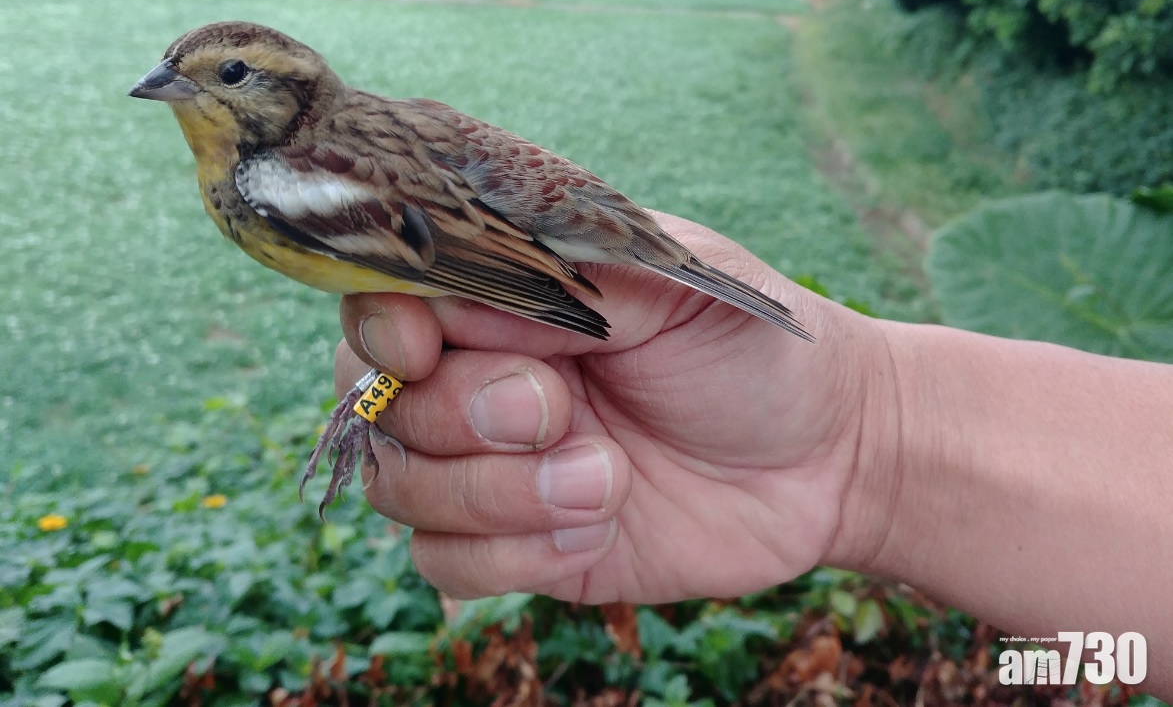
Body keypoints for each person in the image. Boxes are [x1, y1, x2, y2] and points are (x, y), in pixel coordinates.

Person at [332, 212, 1173, 695]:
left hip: (486, 282)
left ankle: (374, 391)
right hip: (477, 291)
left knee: (417, 341)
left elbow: (446, 293)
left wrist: (864, 437)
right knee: (412, 345)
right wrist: (863, 434)